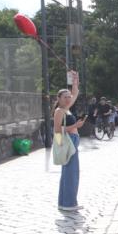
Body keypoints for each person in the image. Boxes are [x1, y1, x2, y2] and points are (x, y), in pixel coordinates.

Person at [54, 71, 86, 212]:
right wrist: (75, 126)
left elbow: (75, 91)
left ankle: (64, 202)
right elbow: (57, 130)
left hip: (72, 141)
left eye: (69, 97)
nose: (68, 98)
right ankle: (69, 204)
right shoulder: (59, 111)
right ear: (59, 98)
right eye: (65, 97)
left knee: (69, 173)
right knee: (71, 173)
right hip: (68, 142)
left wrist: (75, 79)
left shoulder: (66, 108)